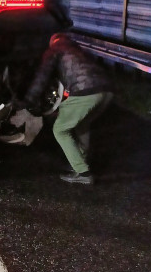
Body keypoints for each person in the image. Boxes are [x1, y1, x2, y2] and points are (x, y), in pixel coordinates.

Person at [18, 32, 114, 185]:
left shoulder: (54, 50)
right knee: (82, 124)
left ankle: (83, 173)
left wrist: (29, 100)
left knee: (60, 130)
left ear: (53, 41)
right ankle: (80, 163)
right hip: (107, 91)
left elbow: (42, 77)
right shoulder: (78, 50)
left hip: (85, 92)